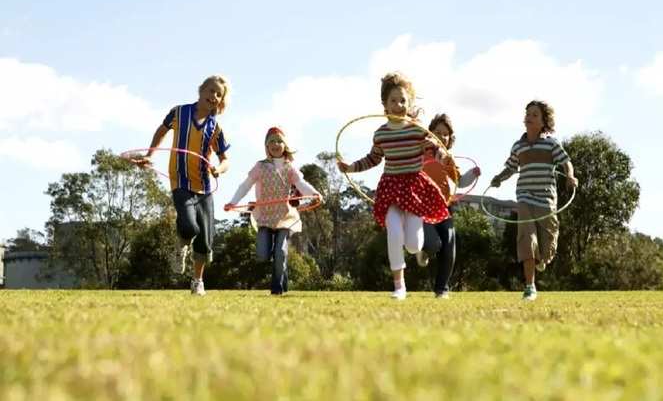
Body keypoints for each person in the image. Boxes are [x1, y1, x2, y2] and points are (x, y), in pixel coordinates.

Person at [337, 72, 450, 300]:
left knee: (412, 244)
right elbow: (373, 159)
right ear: (384, 104)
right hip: (390, 187)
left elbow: (433, 149)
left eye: (402, 101)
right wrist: (350, 167)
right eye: (393, 101)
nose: (398, 105)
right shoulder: (381, 134)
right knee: (394, 232)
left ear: (409, 104)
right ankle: (399, 286)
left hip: (414, 188)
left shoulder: (417, 129)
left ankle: (418, 252)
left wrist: (443, 157)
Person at [134, 75, 231, 296]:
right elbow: (162, 130)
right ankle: (181, 247)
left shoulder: (215, 128)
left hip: (204, 187)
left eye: (219, 94)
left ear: (221, 101)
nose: (213, 96)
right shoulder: (179, 113)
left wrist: (219, 169)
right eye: (211, 90)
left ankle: (197, 281)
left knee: (205, 242)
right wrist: (150, 154)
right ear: (201, 90)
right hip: (180, 180)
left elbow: (225, 160)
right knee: (189, 226)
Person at [491, 100, 578, 301]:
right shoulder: (518, 146)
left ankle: (543, 259)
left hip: (546, 199)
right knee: (526, 239)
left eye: (535, 114)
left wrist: (571, 176)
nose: (529, 117)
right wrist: (499, 178)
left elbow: (566, 163)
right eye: (528, 113)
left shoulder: (551, 144)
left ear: (544, 122)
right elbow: (511, 167)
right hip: (524, 197)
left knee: (547, 247)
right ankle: (530, 286)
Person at [224, 127, 322, 295]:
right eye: (271, 141)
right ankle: (280, 273)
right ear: (266, 146)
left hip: (284, 216)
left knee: (280, 252)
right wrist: (233, 202)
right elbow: (245, 185)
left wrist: (314, 194)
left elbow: (301, 185)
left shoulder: (289, 167)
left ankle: (277, 289)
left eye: (279, 141)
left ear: (285, 145)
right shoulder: (260, 167)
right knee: (262, 254)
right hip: (265, 216)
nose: (275, 144)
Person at [418, 113, 481, 298]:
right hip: (422, 208)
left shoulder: (448, 159)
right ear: (429, 133)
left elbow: (460, 182)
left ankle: (442, 289)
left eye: (445, 134)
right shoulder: (421, 153)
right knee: (433, 244)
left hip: (444, 208)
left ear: (450, 138)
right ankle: (424, 250)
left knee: (449, 246)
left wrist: (473, 173)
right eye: (437, 132)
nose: (441, 136)